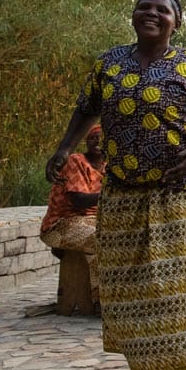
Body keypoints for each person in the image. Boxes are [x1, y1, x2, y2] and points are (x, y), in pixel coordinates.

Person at [46, 0, 186, 370]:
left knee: (177, 288)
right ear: (133, 15)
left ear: (175, 22)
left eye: (162, 9)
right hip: (124, 193)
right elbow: (85, 109)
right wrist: (63, 148)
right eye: (144, 6)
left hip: (182, 194)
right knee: (130, 290)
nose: (151, 13)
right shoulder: (109, 64)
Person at [40, 124, 106, 308]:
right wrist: (110, 196)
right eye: (94, 138)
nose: (98, 142)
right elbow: (78, 200)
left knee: (122, 237)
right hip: (60, 225)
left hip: (92, 222)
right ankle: (101, 300)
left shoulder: (109, 167)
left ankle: (124, 295)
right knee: (99, 239)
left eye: (102, 138)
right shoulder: (75, 161)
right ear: (87, 141)